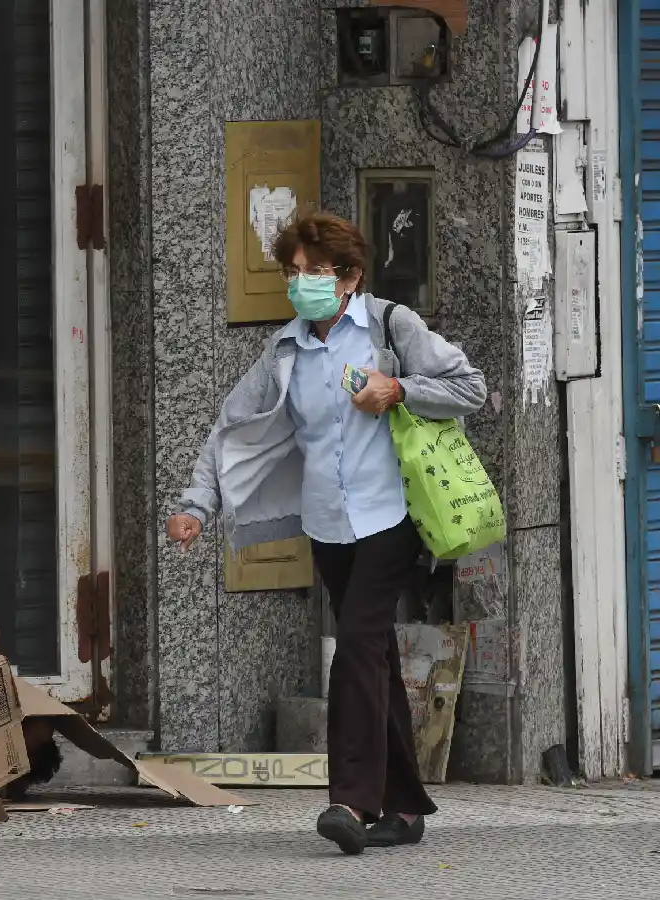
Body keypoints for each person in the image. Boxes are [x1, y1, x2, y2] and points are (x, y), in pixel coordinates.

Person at [165, 210, 485, 855]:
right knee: (377, 659)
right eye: (292, 272)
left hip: (390, 515)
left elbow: (471, 388)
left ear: (350, 277)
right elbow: (232, 427)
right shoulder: (286, 350)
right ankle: (402, 807)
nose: (301, 282)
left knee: (358, 648)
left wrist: (398, 389)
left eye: (314, 271)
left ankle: (352, 802)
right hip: (328, 524)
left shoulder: (393, 327)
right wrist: (196, 505)